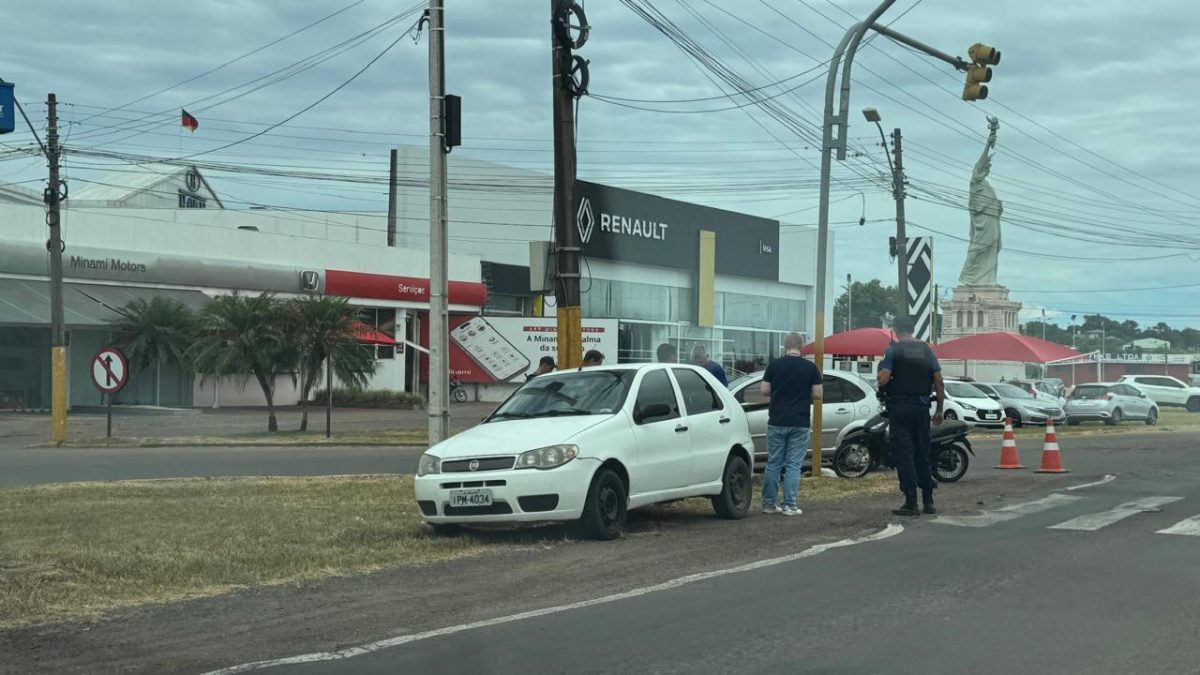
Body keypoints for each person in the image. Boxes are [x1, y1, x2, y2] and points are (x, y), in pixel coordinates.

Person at [877, 315, 946, 517]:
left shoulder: (893, 350)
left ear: (897, 331)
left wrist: (881, 369)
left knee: (904, 454)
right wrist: (940, 409)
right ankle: (929, 501)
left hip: (900, 408)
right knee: (922, 453)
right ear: (913, 329)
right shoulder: (927, 350)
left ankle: (910, 502)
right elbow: (939, 381)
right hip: (921, 409)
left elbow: (883, 380)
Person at [759, 332, 822, 516]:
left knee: (774, 463)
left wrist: (779, 393)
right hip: (800, 421)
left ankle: (769, 504)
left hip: (777, 419)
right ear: (801, 346)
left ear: (785, 346)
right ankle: (789, 505)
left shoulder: (775, 365)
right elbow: (818, 394)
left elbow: (764, 390)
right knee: (794, 464)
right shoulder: (810, 367)